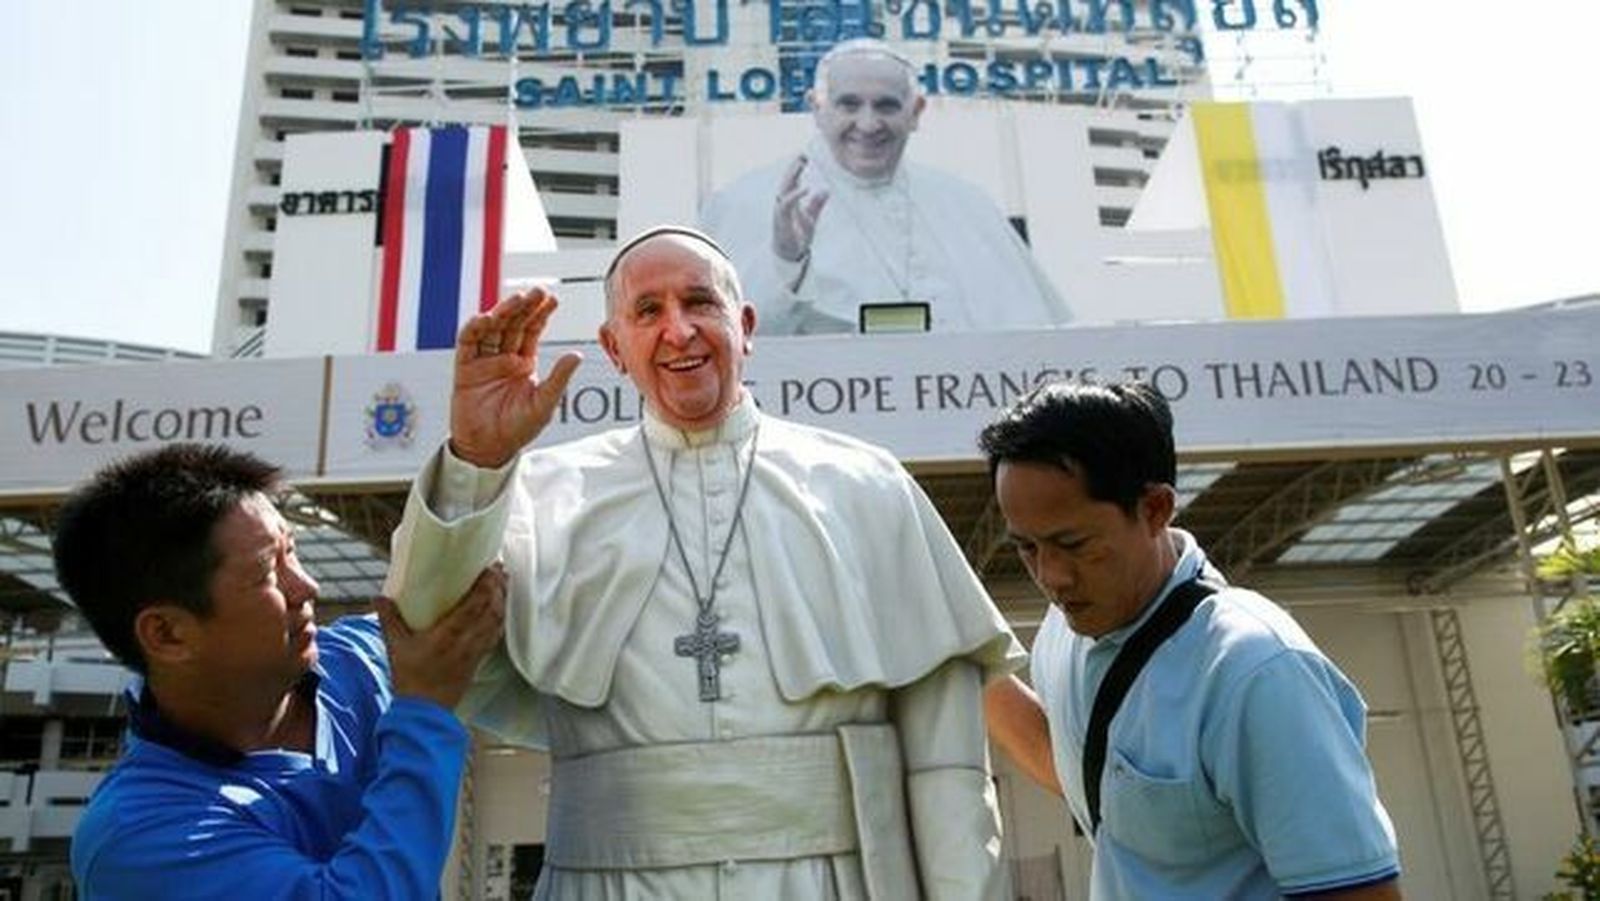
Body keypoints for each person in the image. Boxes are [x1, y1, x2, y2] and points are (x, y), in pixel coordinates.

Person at [384, 225, 1025, 898]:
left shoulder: (866, 485)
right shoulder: (543, 493)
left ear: (744, 325)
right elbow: (424, 634)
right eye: (648, 311)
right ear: (614, 347)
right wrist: (476, 461)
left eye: (700, 302)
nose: (679, 330)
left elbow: (947, 763)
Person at [979, 381, 1402, 900]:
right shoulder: (1065, 630)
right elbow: (1093, 784)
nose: (1051, 576)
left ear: (1156, 509)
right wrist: (963, 667)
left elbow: (1359, 895)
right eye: (1026, 547)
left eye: (1074, 544)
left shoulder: (1256, 671)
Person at [52, 443, 506, 899]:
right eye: (270, 571)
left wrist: (476, 455)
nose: (307, 585)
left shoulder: (359, 660)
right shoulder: (137, 839)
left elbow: (468, 594)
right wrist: (424, 709)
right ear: (168, 634)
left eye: (293, 551)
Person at [699, 38, 1072, 335]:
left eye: (887, 106)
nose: (868, 124)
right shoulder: (746, 201)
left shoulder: (967, 203)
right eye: (849, 105)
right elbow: (729, 341)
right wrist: (786, 262)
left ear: (917, 112)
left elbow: (1040, 336)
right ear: (817, 108)